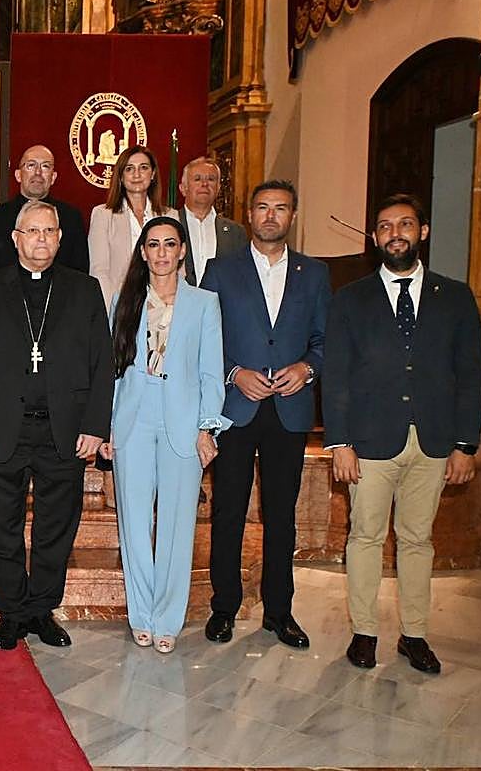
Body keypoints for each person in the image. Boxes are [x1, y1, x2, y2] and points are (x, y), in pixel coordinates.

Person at [325, 194, 481, 675]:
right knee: (365, 536)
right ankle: (364, 633)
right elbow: (336, 375)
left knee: (418, 540)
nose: (396, 233)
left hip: (433, 441)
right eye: (385, 226)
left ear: (423, 232)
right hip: (370, 442)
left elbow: (470, 374)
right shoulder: (350, 299)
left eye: (406, 224)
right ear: (374, 239)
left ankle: (414, 635)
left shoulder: (455, 298)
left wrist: (465, 444)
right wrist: (340, 442)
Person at [0, 200, 113, 650]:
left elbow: (102, 362)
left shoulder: (84, 290)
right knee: (2, 526)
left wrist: (95, 426)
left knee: (56, 526)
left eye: (49, 231)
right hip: (0, 426)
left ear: (60, 238)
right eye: (32, 231)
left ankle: (42, 609)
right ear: (15, 238)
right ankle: (11, 612)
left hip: (63, 430)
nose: (41, 239)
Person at [200, 180, 330, 649]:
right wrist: (234, 373)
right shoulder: (220, 270)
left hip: (290, 411)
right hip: (237, 408)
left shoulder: (314, 274)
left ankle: (279, 611)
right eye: (262, 208)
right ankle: (224, 607)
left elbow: (323, 339)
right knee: (228, 511)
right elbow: (204, 340)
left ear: (293, 216)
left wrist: (308, 368)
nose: (271, 216)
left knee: (281, 515)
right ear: (249, 215)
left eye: (281, 208)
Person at [102, 216, 227, 654]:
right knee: (134, 522)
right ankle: (141, 614)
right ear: (142, 252)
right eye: (152, 244)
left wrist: (206, 427)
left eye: (169, 244)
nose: (161, 252)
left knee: (177, 525)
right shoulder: (124, 299)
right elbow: (112, 373)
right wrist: (107, 427)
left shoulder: (204, 303)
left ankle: (168, 618)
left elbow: (212, 371)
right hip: (134, 419)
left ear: (182, 251)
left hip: (183, 419)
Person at [87, 145, 170, 305]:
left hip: (163, 307)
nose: (137, 174)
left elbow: (178, 271)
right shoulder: (103, 215)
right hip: (121, 305)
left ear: (152, 174)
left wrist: (170, 307)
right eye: (129, 169)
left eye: (143, 168)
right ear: (120, 176)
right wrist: (114, 309)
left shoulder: (169, 215)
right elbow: (99, 271)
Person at [0, 145, 89, 273]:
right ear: (18, 175)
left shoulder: (71, 218)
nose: (38, 173)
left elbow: (80, 271)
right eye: (31, 165)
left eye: (45, 166)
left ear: (53, 177)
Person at [178, 157, 247, 286]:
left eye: (211, 179)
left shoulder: (236, 232)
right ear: (183, 188)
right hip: (178, 303)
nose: (204, 184)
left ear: (218, 188)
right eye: (197, 179)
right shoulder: (170, 224)